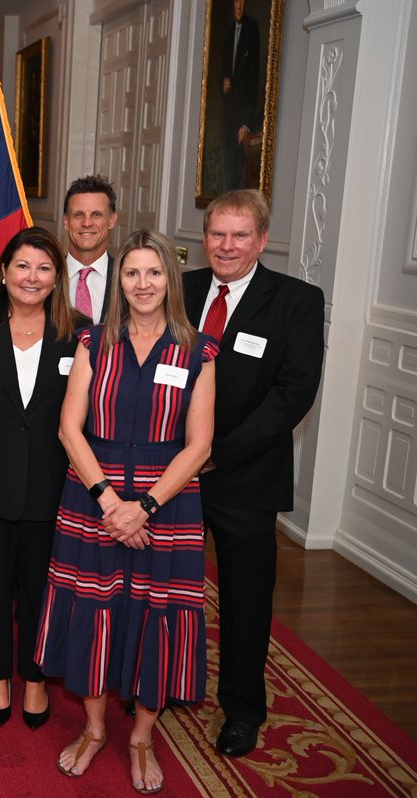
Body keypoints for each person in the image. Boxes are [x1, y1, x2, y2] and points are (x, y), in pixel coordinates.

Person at [36, 230, 216, 794]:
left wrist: (146, 507)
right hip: (95, 495)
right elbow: (69, 427)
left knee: (154, 616)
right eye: (132, 273)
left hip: (170, 501)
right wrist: (111, 503)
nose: (143, 284)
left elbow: (200, 445)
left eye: (154, 273)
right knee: (95, 611)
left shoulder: (198, 349)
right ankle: (92, 728)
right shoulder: (93, 341)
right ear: (120, 281)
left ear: (171, 280)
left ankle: (141, 735)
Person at [182, 189, 325, 758]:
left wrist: (218, 452)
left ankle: (242, 710)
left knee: (245, 602)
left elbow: (294, 394)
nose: (227, 246)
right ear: (204, 237)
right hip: (174, 475)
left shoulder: (296, 300)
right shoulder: (182, 288)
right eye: (217, 234)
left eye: (240, 235)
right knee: (171, 589)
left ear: (261, 240)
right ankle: (170, 685)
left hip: (245, 477)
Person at [0, 227, 87, 729]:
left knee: (39, 590)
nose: (32, 277)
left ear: (57, 278)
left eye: (44, 268)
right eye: (23, 266)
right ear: (4, 271)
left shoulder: (80, 332)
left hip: (52, 487)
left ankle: (34, 678)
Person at [63, 175, 118, 324]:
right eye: (78, 214)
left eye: (96, 214)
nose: (87, 223)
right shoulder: (47, 275)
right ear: (66, 222)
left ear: (112, 220)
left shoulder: (126, 277)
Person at [220, 0, 260, 192]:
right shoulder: (227, 35)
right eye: (236, 1)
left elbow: (255, 81)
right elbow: (223, 73)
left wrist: (246, 123)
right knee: (227, 165)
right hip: (229, 115)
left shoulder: (252, 31)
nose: (239, 6)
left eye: (242, 2)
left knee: (239, 171)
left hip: (242, 118)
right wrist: (224, 83)